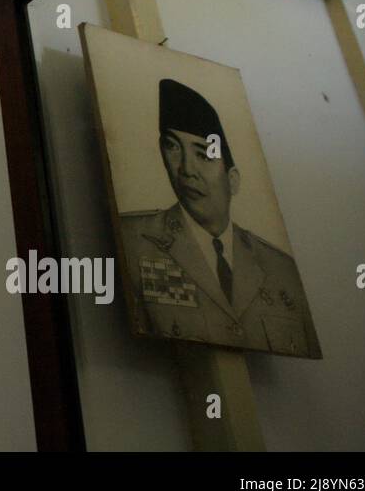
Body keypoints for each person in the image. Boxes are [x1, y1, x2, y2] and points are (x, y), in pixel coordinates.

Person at [117, 79, 321, 357]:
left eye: (203, 155)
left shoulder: (280, 270)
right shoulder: (132, 240)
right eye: (173, 147)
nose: (187, 170)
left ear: (232, 179)